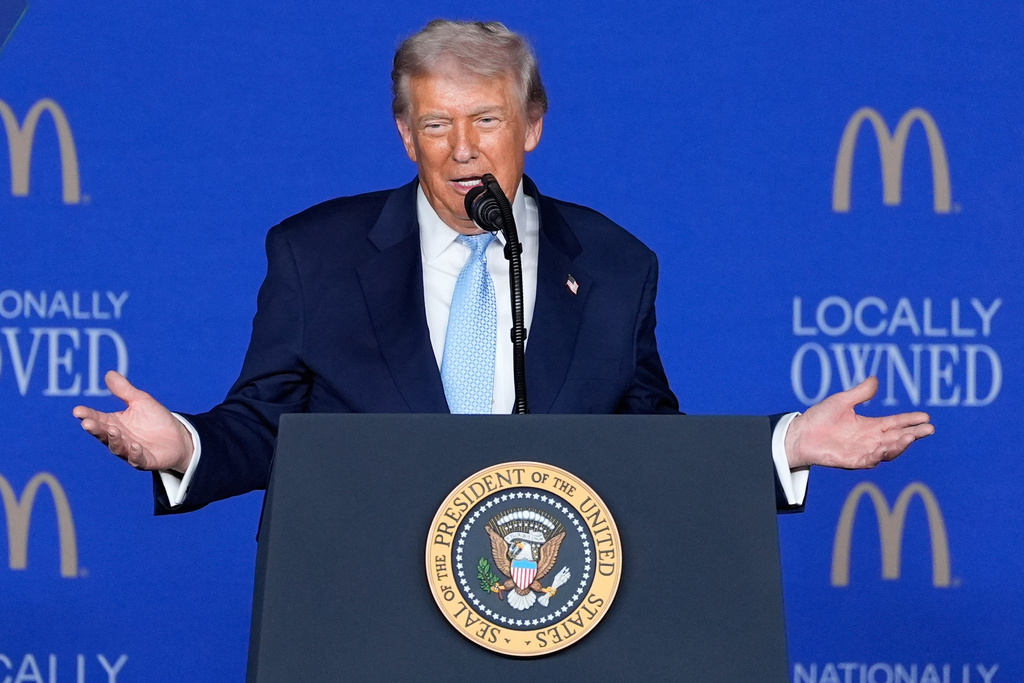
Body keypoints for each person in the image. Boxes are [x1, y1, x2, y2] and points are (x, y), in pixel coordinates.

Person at [72, 20, 933, 514]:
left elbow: (644, 446)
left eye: (487, 120)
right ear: (405, 136)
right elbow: (266, 427)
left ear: (533, 126)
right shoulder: (314, 252)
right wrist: (179, 441)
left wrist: (787, 445)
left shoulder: (613, 263)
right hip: (354, 611)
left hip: (555, 617)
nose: (462, 151)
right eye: (436, 125)